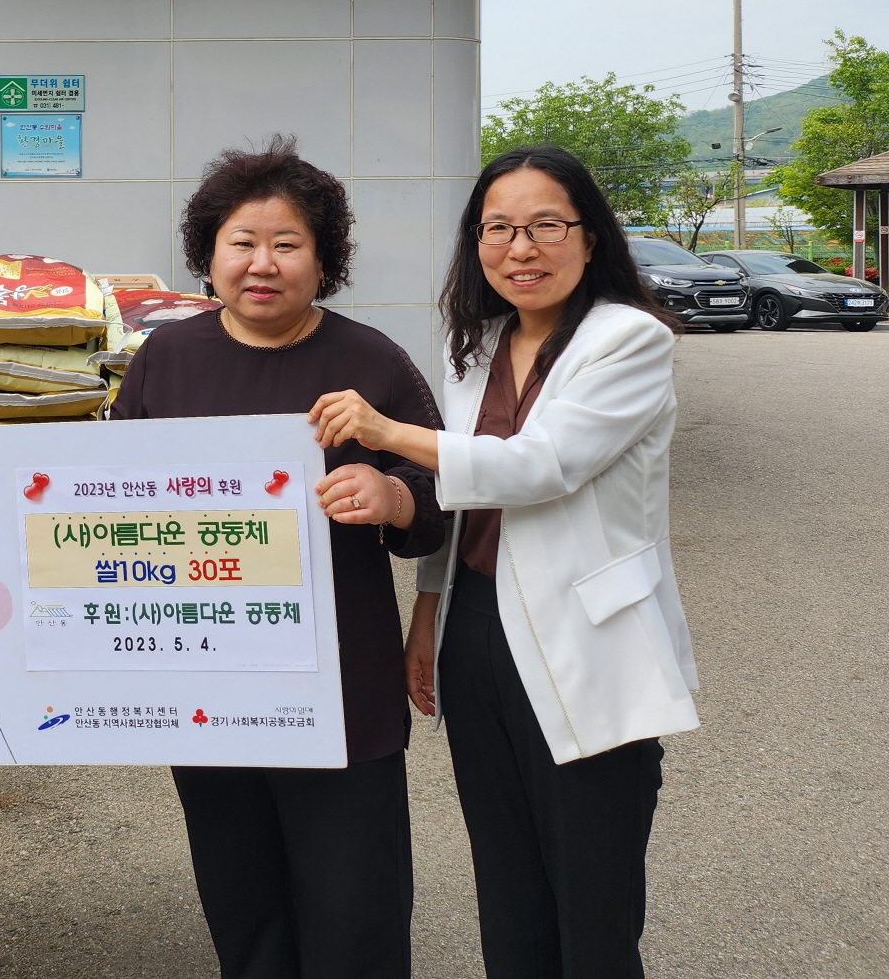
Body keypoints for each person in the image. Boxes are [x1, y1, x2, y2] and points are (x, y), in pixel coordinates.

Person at [309, 144, 698, 979]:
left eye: (546, 226)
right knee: (509, 888)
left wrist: (386, 433)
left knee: (592, 909)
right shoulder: (477, 343)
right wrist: (426, 615)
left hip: (587, 637)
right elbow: (462, 495)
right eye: (499, 229)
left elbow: (539, 464)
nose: (521, 249)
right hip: (477, 629)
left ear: (590, 237)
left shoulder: (628, 340)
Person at [112, 136, 445, 979]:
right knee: (244, 908)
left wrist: (389, 494)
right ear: (209, 255)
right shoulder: (166, 360)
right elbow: (111, 500)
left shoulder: (370, 361)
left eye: (288, 245)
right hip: (210, 689)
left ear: (324, 260)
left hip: (341, 691)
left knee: (355, 913)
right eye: (242, 243)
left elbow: (439, 493)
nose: (263, 264)